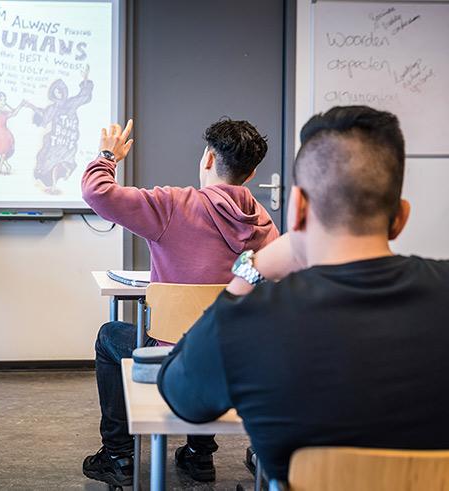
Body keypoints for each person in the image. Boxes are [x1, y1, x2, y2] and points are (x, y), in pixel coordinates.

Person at [157, 105, 449, 483]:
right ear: (400, 217)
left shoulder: (250, 318)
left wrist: (250, 272)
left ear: (297, 210)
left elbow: (181, 398)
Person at [81, 118, 279, 486]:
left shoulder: (173, 205)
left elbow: (97, 192)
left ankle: (118, 455)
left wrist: (108, 155)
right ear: (250, 174)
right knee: (209, 336)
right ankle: (199, 455)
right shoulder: (264, 225)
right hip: (236, 361)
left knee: (110, 336)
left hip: (171, 357)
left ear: (207, 160)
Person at [26, 67, 93, 194]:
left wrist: (85, 79)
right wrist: (31, 107)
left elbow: (83, 96)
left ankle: (58, 180)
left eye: (60, 91)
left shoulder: (71, 103)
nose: (59, 94)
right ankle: (52, 183)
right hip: (55, 139)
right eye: (56, 92)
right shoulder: (53, 108)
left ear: (64, 91)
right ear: (53, 94)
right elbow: (45, 116)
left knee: (62, 161)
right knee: (45, 158)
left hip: (68, 138)